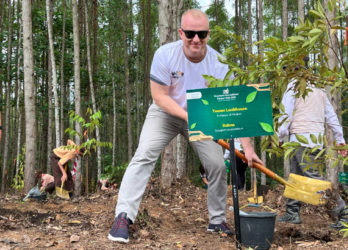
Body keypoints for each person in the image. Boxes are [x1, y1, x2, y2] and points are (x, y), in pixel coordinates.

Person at [108, 9, 263, 244]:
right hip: (166, 112)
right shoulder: (165, 55)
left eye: (201, 34)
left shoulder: (220, 63)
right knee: (144, 155)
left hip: (205, 118)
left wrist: (248, 148)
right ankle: (123, 216)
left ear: (209, 34)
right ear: (181, 33)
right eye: (190, 33)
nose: (196, 39)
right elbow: (159, 96)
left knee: (217, 166)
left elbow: (236, 110)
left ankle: (217, 220)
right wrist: (188, 116)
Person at [277, 81, 348, 229]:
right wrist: (340, 138)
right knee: (295, 176)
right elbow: (330, 115)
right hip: (315, 140)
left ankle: (345, 211)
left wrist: (279, 137)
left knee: (315, 178)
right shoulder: (319, 88)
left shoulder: (294, 85)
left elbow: (286, 114)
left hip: (300, 138)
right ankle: (292, 211)